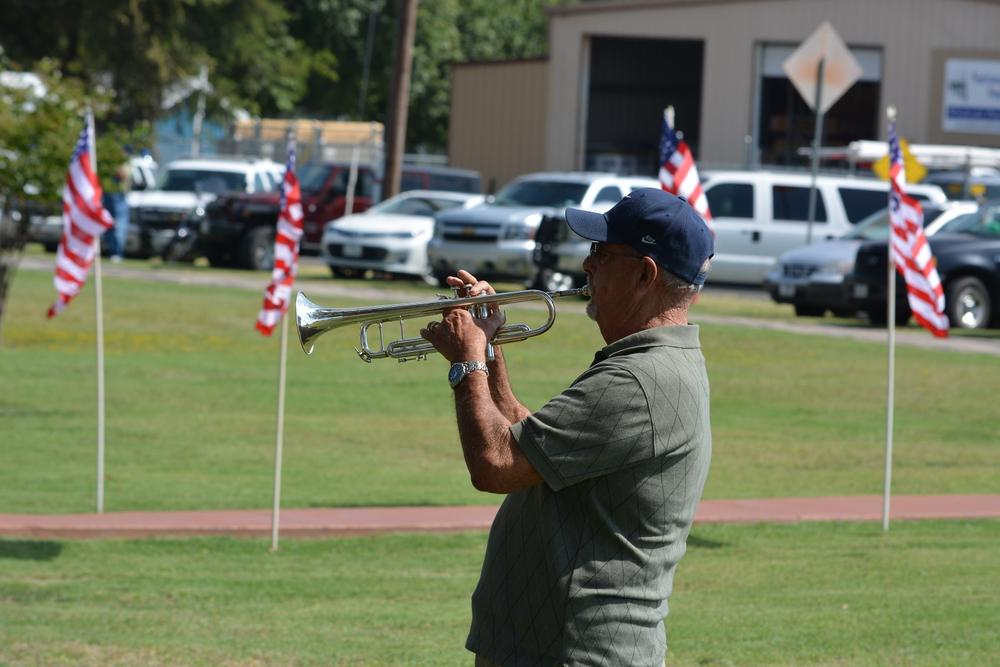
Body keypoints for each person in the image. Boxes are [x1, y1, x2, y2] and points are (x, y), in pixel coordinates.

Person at [419, 188, 715, 666]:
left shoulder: (639, 380)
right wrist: (489, 348)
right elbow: (532, 444)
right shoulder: (650, 365)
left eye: (601, 252)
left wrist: (466, 364)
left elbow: (496, 464)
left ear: (645, 273)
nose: (587, 265)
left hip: (573, 652)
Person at [102, 149, 131, 262]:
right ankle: (111, 251)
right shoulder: (108, 162)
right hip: (108, 194)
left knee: (119, 225)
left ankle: (117, 253)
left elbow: (123, 175)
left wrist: (114, 167)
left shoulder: (125, 163)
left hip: (119, 196)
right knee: (108, 224)